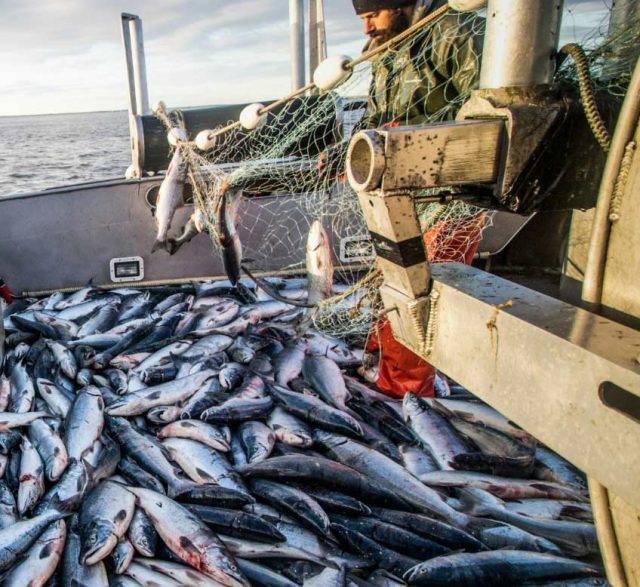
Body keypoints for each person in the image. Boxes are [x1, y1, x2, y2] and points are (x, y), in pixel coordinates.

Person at [350, 0, 485, 397]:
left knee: (422, 300)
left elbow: (486, 108)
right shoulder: (386, 50)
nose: (367, 29)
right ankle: (381, 364)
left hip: (449, 198)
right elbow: (378, 115)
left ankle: (405, 395)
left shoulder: (452, 31)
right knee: (390, 285)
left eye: (372, 15)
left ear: (402, 4)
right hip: (398, 199)